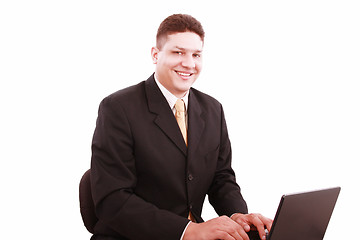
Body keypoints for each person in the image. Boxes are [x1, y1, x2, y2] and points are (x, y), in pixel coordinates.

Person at [90, 14, 272, 240]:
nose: (189, 63)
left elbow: (221, 178)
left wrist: (238, 216)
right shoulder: (118, 108)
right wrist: (188, 230)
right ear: (155, 55)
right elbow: (113, 199)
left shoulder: (213, 109)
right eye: (178, 52)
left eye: (196, 54)